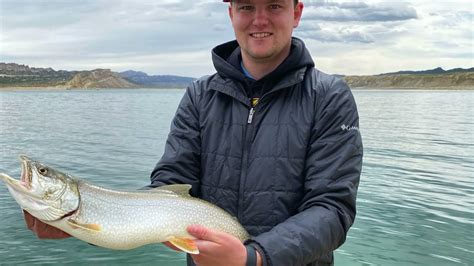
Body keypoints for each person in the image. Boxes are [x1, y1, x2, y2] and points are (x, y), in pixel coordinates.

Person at [24, 0, 363, 265]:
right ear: (232, 14)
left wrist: (255, 257)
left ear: (296, 12)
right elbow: (171, 186)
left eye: (274, 5)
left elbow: (332, 208)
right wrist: (78, 223)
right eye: (246, 7)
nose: (259, 20)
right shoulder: (200, 95)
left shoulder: (329, 97)